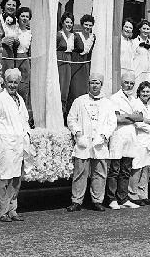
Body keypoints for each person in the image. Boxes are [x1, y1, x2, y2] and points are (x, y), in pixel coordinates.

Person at [0, 68, 32, 222]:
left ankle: (12, 210)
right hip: (5, 145)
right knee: (4, 179)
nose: (12, 85)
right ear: (5, 83)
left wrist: (28, 138)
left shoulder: (20, 99)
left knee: (16, 179)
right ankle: (1, 212)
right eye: (10, 82)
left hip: (19, 145)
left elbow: (25, 120)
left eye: (15, 82)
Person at [66, 73, 117, 212]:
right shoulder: (79, 101)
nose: (95, 85)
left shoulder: (108, 103)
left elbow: (112, 122)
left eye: (97, 83)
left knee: (100, 173)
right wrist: (77, 132)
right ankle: (76, 200)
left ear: (101, 85)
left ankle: (97, 200)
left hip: (100, 144)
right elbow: (71, 119)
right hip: (83, 143)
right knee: (80, 173)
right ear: (88, 84)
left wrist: (104, 135)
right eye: (92, 83)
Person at [107, 72, 141, 209]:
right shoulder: (114, 98)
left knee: (126, 170)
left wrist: (127, 116)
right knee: (114, 170)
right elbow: (117, 119)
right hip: (118, 137)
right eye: (127, 82)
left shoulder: (134, 100)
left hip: (130, 138)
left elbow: (140, 117)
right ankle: (111, 199)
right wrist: (132, 117)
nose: (129, 85)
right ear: (122, 83)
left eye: (132, 83)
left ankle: (123, 198)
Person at [127, 81, 150, 206]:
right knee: (137, 168)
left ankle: (143, 194)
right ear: (139, 92)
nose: (145, 94)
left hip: (149, 142)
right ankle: (133, 194)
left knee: (146, 168)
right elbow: (137, 122)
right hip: (139, 140)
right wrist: (149, 126)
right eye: (143, 91)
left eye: (148, 92)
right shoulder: (136, 104)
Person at [69, 14, 96, 107]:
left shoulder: (93, 37)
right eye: (86, 25)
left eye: (90, 25)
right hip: (76, 67)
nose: (88, 27)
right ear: (81, 25)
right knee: (74, 92)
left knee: (85, 92)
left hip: (86, 67)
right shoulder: (76, 36)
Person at [57, 12, 77, 114]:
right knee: (59, 88)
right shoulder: (59, 35)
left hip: (69, 62)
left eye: (71, 22)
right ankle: (57, 114)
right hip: (60, 62)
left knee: (67, 90)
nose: (69, 24)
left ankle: (64, 113)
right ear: (62, 23)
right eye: (67, 22)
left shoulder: (74, 36)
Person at [14, 7, 33, 109]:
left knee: (23, 88)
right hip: (14, 59)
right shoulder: (14, 30)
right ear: (18, 17)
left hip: (25, 60)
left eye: (27, 16)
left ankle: (23, 111)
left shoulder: (30, 33)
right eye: (22, 16)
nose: (25, 18)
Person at [133, 20, 150, 85]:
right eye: (144, 28)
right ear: (140, 29)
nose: (145, 31)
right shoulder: (135, 42)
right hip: (137, 73)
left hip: (147, 73)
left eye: (148, 29)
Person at [119, 19, 138, 88]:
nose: (128, 29)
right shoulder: (118, 40)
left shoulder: (132, 42)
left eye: (130, 28)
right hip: (119, 70)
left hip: (130, 71)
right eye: (126, 27)